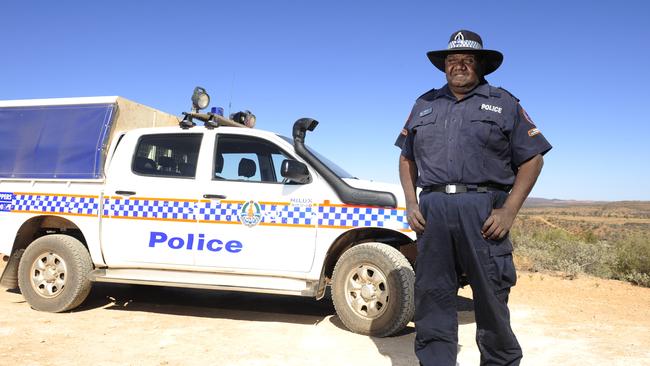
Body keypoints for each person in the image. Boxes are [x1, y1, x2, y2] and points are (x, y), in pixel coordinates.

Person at [396, 30, 552, 366]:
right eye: (453, 60)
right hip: (433, 212)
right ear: (445, 66)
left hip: (483, 214)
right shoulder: (424, 104)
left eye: (467, 60)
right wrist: (411, 202)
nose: (459, 66)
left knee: (491, 299)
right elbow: (406, 156)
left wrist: (509, 210)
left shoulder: (503, 102)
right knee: (432, 297)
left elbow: (533, 158)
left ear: (480, 65)